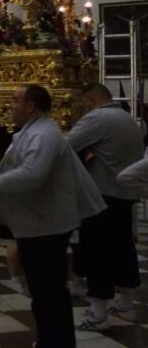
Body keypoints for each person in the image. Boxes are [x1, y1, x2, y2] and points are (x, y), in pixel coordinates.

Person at [0, 85, 105, 348]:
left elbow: (34, 173)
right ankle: (50, 339)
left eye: (15, 100)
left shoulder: (44, 133)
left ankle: (57, 342)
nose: (10, 104)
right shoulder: (34, 130)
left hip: (47, 226)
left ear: (30, 106)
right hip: (38, 222)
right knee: (43, 292)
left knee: (49, 292)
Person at [65, 83, 144, 329]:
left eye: (83, 102)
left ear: (90, 100)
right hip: (123, 194)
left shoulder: (97, 119)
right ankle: (126, 304)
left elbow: (63, 146)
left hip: (101, 195)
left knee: (96, 250)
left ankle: (98, 312)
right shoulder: (127, 118)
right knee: (122, 246)